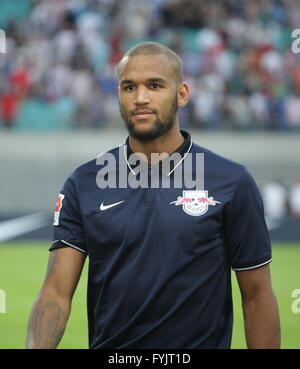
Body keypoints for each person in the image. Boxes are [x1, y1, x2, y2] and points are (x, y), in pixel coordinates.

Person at [26, 42, 280, 349]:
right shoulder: (83, 184)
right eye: (129, 87)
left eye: (155, 85)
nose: (140, 98)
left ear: (182, 94)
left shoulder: (231, 181)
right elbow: (55, 293)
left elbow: (257, 297)